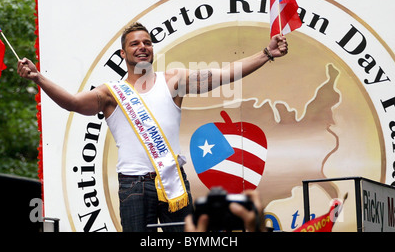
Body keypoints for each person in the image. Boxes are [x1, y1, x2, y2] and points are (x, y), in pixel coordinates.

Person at [17, 22, 288, 232]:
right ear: (124, 53)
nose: (143, 46)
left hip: (173, 179)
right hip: (134, 185)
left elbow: (223, 75)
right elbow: (74, 103)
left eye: (148, 42)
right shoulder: (111, 93)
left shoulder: (173, 81)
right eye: (135, 44)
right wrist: (38, 77)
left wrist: (266, 54)